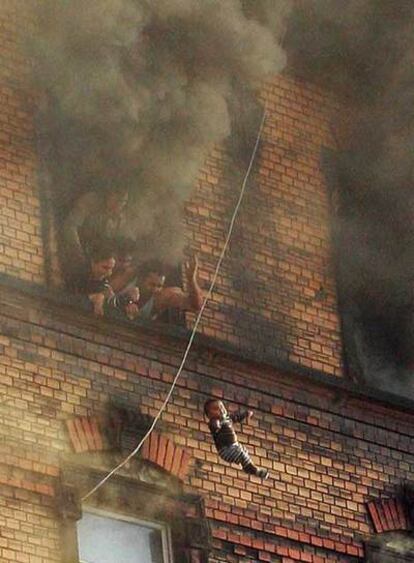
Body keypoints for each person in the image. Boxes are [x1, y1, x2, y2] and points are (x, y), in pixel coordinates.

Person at [62, 187, 129, 281]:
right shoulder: (90, 202)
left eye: (123, 201)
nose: (119, 204)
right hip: (78, 250)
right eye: (117, 199)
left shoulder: (119, 218)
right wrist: (77, 251)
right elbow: (70, 226)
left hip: (99, 257)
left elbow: (113, 241)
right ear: (110, 194)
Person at [204, 399, 269, 480]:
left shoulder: (227, 419)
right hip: (226, 449)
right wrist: (215, 425)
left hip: (233, 446)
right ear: (209, 415)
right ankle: (254, 470)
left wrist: (245, 414)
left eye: (222, 407)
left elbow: (237, 417)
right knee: (240, 453)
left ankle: (248, 467)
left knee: (244, 451)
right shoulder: (215, 421)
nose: (220, 410)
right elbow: (213, 426)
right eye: (216, 409)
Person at [136, 255, 203, 321]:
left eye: (159, 286)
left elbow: (196, 305)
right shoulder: (130, 285)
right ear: (142, 280)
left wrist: (191, 279)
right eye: (152, 285)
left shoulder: (163, 296)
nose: (156, 290)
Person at [75, 241, 117, 317]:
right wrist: (91, 298)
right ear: (93, 263)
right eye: (105, 268)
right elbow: (65, 296)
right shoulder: (76, 276)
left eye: (111, 269)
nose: (109, 273)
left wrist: (127, 300)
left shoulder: (104, 286)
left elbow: (113, 306)